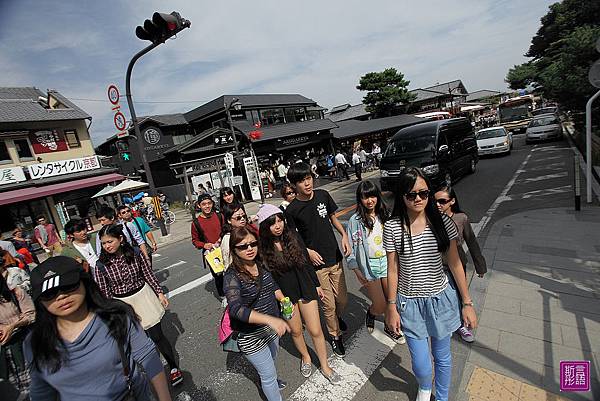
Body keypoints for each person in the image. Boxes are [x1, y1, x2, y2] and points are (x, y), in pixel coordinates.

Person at [384, 167, 478, 401]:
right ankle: (425, 386)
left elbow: (456, 264)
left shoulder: (443, 223)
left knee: (443, 356)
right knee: (422, 364)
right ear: (402, 196)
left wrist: (467, 303)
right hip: (410, 303)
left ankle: (442, 397)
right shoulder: (393, 227)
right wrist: (391, 305)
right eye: (411, 194)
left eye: (423, 193)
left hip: (440, 298)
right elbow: (393, 269)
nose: (418, 199)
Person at [24, 256, 172, 400]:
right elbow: (41, 390)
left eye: (68, 286)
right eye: (49, 294)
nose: (61, 296)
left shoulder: (115, 316)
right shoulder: (35, 342)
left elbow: (147, 356)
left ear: (84, 282)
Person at [257, 204, 341, 383]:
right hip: (285, 295)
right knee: (296, 331)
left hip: (305, 288)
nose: (278, 225)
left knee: (315, 330)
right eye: (273, 223)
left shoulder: (293, 236)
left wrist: (316, 284)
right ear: (265, 227)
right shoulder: (263, 250)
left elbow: (306, 262)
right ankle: (306, 357)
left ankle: (325, 366)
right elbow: (268, 279)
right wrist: (280, 299)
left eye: (280, 220)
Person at [97, 224, 183, 386]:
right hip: (121, 304)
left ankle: (173, 367)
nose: (107, 246)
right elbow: (104, 292)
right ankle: (145, 376)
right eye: (103, 243)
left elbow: (147, 274)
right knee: (133, 343)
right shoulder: (100, 265)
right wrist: (110, 313)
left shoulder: (135, 253)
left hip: (143, 296)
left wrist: (159, 292)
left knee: (157, 336)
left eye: (110, 241)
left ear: (120, 239)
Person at [285, 162, 350, 358]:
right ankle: (335, 335)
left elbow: (333, 217)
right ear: (294, 185)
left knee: (342, 299)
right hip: (317, 265)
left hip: (335, 257)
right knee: (328, 304)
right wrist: (308, 252)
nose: (307, 183)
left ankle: (337, 317)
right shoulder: (292, 210)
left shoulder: (323, 195)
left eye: (308, 178)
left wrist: (344, 235)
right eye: (302, 181)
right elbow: (293, 240)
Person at [223, 227, 290, 401]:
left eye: (253, 244)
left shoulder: (261, 263)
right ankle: (270, 385)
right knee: (268, 375)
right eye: (243, 246)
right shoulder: (232, 275)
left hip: (271, 330)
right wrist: (270, 320)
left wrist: (283, 300)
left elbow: (272, 285)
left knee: (271, 363)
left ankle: (270, 380)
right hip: (250, 335)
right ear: (234, 250)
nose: (250, 249)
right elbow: (236, 309)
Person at [346, 181, 405, 343]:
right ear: (360, 199)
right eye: (365, 197)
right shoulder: (355, 220)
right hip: (368, 266)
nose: (369, 201)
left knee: (392, 300)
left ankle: (390, 327)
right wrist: (356, 270)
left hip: (387, 263)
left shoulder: (386, 215)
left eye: (372, 196)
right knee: (379, 305)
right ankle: (371, 313)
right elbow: (349, 248)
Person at [434, 185, 487, 343]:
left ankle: (462, 325)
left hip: (457, 264)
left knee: (458, 294)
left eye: (442, 201)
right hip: (437, 266)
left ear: (452, 201)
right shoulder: (430, 219)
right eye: (435, 201)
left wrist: (480, 266)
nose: (438, 204)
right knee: (441, 295)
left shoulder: (461, 218)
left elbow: (472, 242)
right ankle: (444, 322)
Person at [0, 266, 34, 399]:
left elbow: (31, 315)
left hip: (24, 344)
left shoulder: (15, 292)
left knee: (34, 386)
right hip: (4, 354)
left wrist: (12, 326)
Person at [191, 194, 225, 304]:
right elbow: (195, 241)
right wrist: (204, 245)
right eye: (204, 204)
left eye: (209, 203)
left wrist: (221, 237)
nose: (207, 206)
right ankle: (223, 296)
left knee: (232, 271)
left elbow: (226, 229)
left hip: (224, 247)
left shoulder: (220, 216)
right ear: (199, 206)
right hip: (211, 253)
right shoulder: (196, 223)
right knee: (218, 275)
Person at [220, 203, 258, 271]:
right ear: (229, 220)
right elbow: (227, 262)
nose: (242, 219)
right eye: (238, 218)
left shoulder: (248, 230)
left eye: (244, 216)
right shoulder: (227, 238)